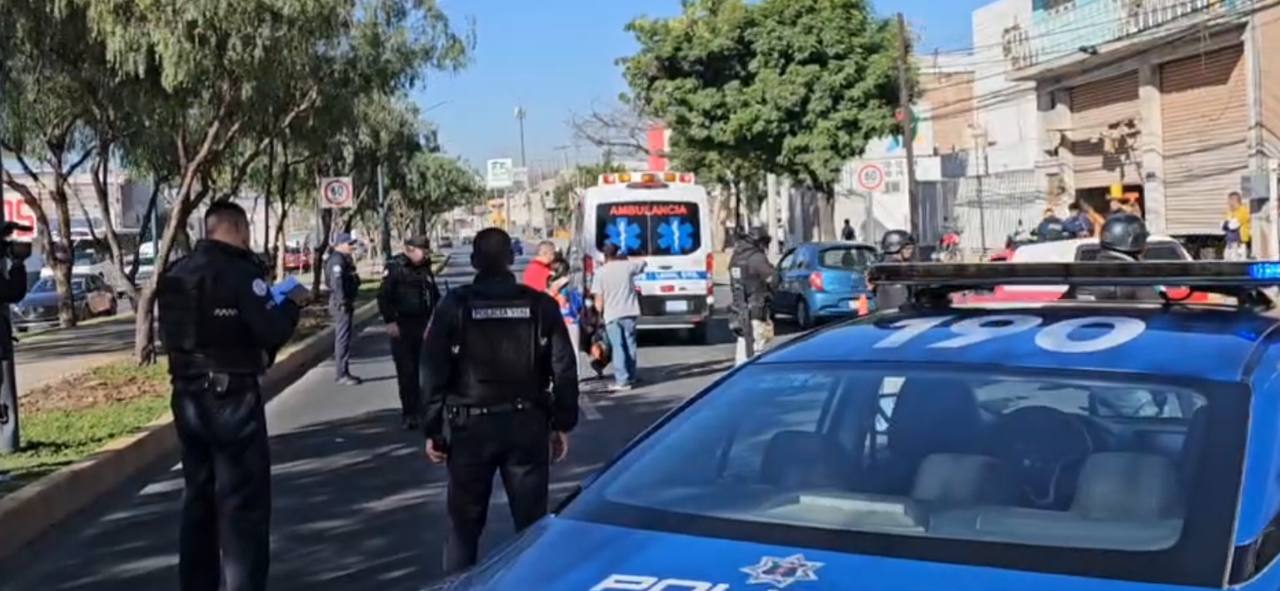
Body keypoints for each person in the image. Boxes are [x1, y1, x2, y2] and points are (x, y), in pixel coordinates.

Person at [157, 202, 307, 591]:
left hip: (187, 396)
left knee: (198, 499)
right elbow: (270, 330)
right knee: (243, 505)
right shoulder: (243, 274)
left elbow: (169, 336)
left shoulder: (176, 273)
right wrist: (291, 304)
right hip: (232, 398)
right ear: (239, 228)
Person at [421, 228, 579, 573]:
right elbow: (564, 369)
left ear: (475, 262)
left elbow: (433, 369)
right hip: (527, 427)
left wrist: (433, 429)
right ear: (511, 259)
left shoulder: (455, 305)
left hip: (469, 429)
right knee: (532, 528)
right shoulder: (540, 305)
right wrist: (563, 423)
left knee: (464, 529)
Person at [377, 234, 441, 429]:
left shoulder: (425, 268)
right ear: (411, 249)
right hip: (402, 326)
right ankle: (410, 413)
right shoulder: (396, 267)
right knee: (407, 372)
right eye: (423, 250)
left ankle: (425, 411)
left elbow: (433, 295)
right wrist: (390, 321)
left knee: (425, 371)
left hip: (424, 324)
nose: (426, 254)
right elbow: (383, 296)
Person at [591, 242, 646, 391]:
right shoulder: (627, 267)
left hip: (612, 315)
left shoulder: (600, 272)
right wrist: (626, 258)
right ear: (617, 253)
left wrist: (598, 315)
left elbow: (598, 300)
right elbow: (643, 263)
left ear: (604, 255)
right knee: (630, 345)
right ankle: (632, 375)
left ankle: (622, 380)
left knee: (618, 346)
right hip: (630, 311)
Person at [1068, 213, 1156, 301]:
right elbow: (1157, 308)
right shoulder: (1137, 277)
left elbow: (1062, 306)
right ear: (1136, 242)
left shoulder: (1082, 275)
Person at [729, 227, 777, 366]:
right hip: (755, 308)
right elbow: (773, 278)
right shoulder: (756, 258)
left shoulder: (736, 257)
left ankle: (740, 375)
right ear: (759, 242)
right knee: (758, 347)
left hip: (739, 309)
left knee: (743, 347)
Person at [325, 233, 362, 385]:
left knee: (345, 338)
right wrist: (342, 302)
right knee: (342, 339)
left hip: (345, 302)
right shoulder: (337, 260)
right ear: (340, 245)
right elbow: (337, 283)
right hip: (341, 304)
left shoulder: (344, 259)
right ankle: (341, 374)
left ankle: (344, 371)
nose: (352, 246)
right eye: (349, 244)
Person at [546, 257, 584, 376]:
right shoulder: (568, 283)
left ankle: (558, 373)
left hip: (556, 319)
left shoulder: (549, 283)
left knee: (556, 349)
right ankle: (575, 374)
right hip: (571, 319)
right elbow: (567, 301)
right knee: (574, 349)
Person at [874, 230, 916, 311]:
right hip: (895, 317)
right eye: (907, 248)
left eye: (911, 248)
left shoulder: (885, 267)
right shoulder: (892, 269)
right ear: (894, 248)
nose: (910, 251)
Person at [1223, 191, 1251, 261]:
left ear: (1235, 200)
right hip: (1230, 242)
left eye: (1230, 200)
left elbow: (1233, 225)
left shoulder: (1243, 211)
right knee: (1227, 259)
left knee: (1238, 260)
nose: (1228, 203)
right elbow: (1225, 226)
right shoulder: (1230, 212)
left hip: (1239, 243)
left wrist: (1226, 224)